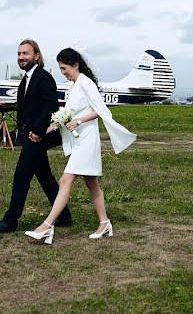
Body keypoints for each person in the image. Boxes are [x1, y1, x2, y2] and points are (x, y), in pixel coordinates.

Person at [25, 47, 136, 244]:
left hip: (87, 140)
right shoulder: (74, 86)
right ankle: (104, 223)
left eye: (64, 68)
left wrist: (79, 121)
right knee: (92, 184)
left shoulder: (85, 83)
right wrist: (43, 132)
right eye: (60, 69)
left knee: (65, 180)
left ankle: (46, 227)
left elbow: (100, 110)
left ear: (76, 65)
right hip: (79, 141)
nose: (63, 72)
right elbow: (65, 116)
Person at [0, 39, 72, 232]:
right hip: (29, 137)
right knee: (45, 176)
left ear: (36, 56)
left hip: (39, 137)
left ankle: (10, 221)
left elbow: (51, 107)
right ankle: (64, 215)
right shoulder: (26, 79)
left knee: (21, 175)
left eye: (25, 53)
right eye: (19, 54)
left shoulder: (43, 77)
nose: (21, 57)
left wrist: (39, 132)